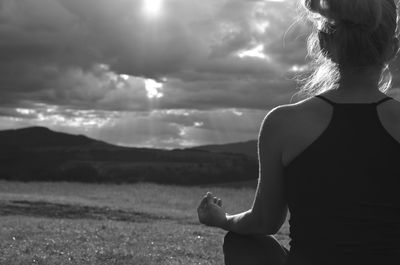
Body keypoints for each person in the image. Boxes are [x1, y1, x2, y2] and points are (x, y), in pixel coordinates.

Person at [197, 0, 400, 264]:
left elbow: (263, 222)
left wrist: (222, 220)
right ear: (393, 48)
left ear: (324, 45)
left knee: (241, 241)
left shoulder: (283, 123)